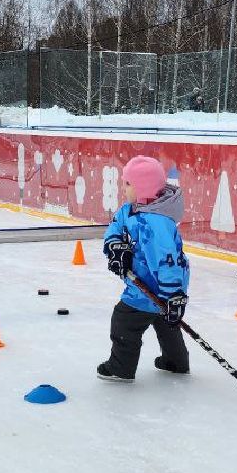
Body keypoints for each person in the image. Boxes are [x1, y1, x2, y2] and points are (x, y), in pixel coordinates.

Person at [97, 155, 191, 382]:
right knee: (165, 322)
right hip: (147, 282)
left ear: (143, 188)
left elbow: (168, 261)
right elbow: (114, 228)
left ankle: (121, 368)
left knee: (124, 322)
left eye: (128, 183)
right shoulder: (129, 210)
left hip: (153, 285)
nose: (124, 187)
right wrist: (116, 246)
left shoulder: (157, 223)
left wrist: (172, 294)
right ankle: (175, 361)